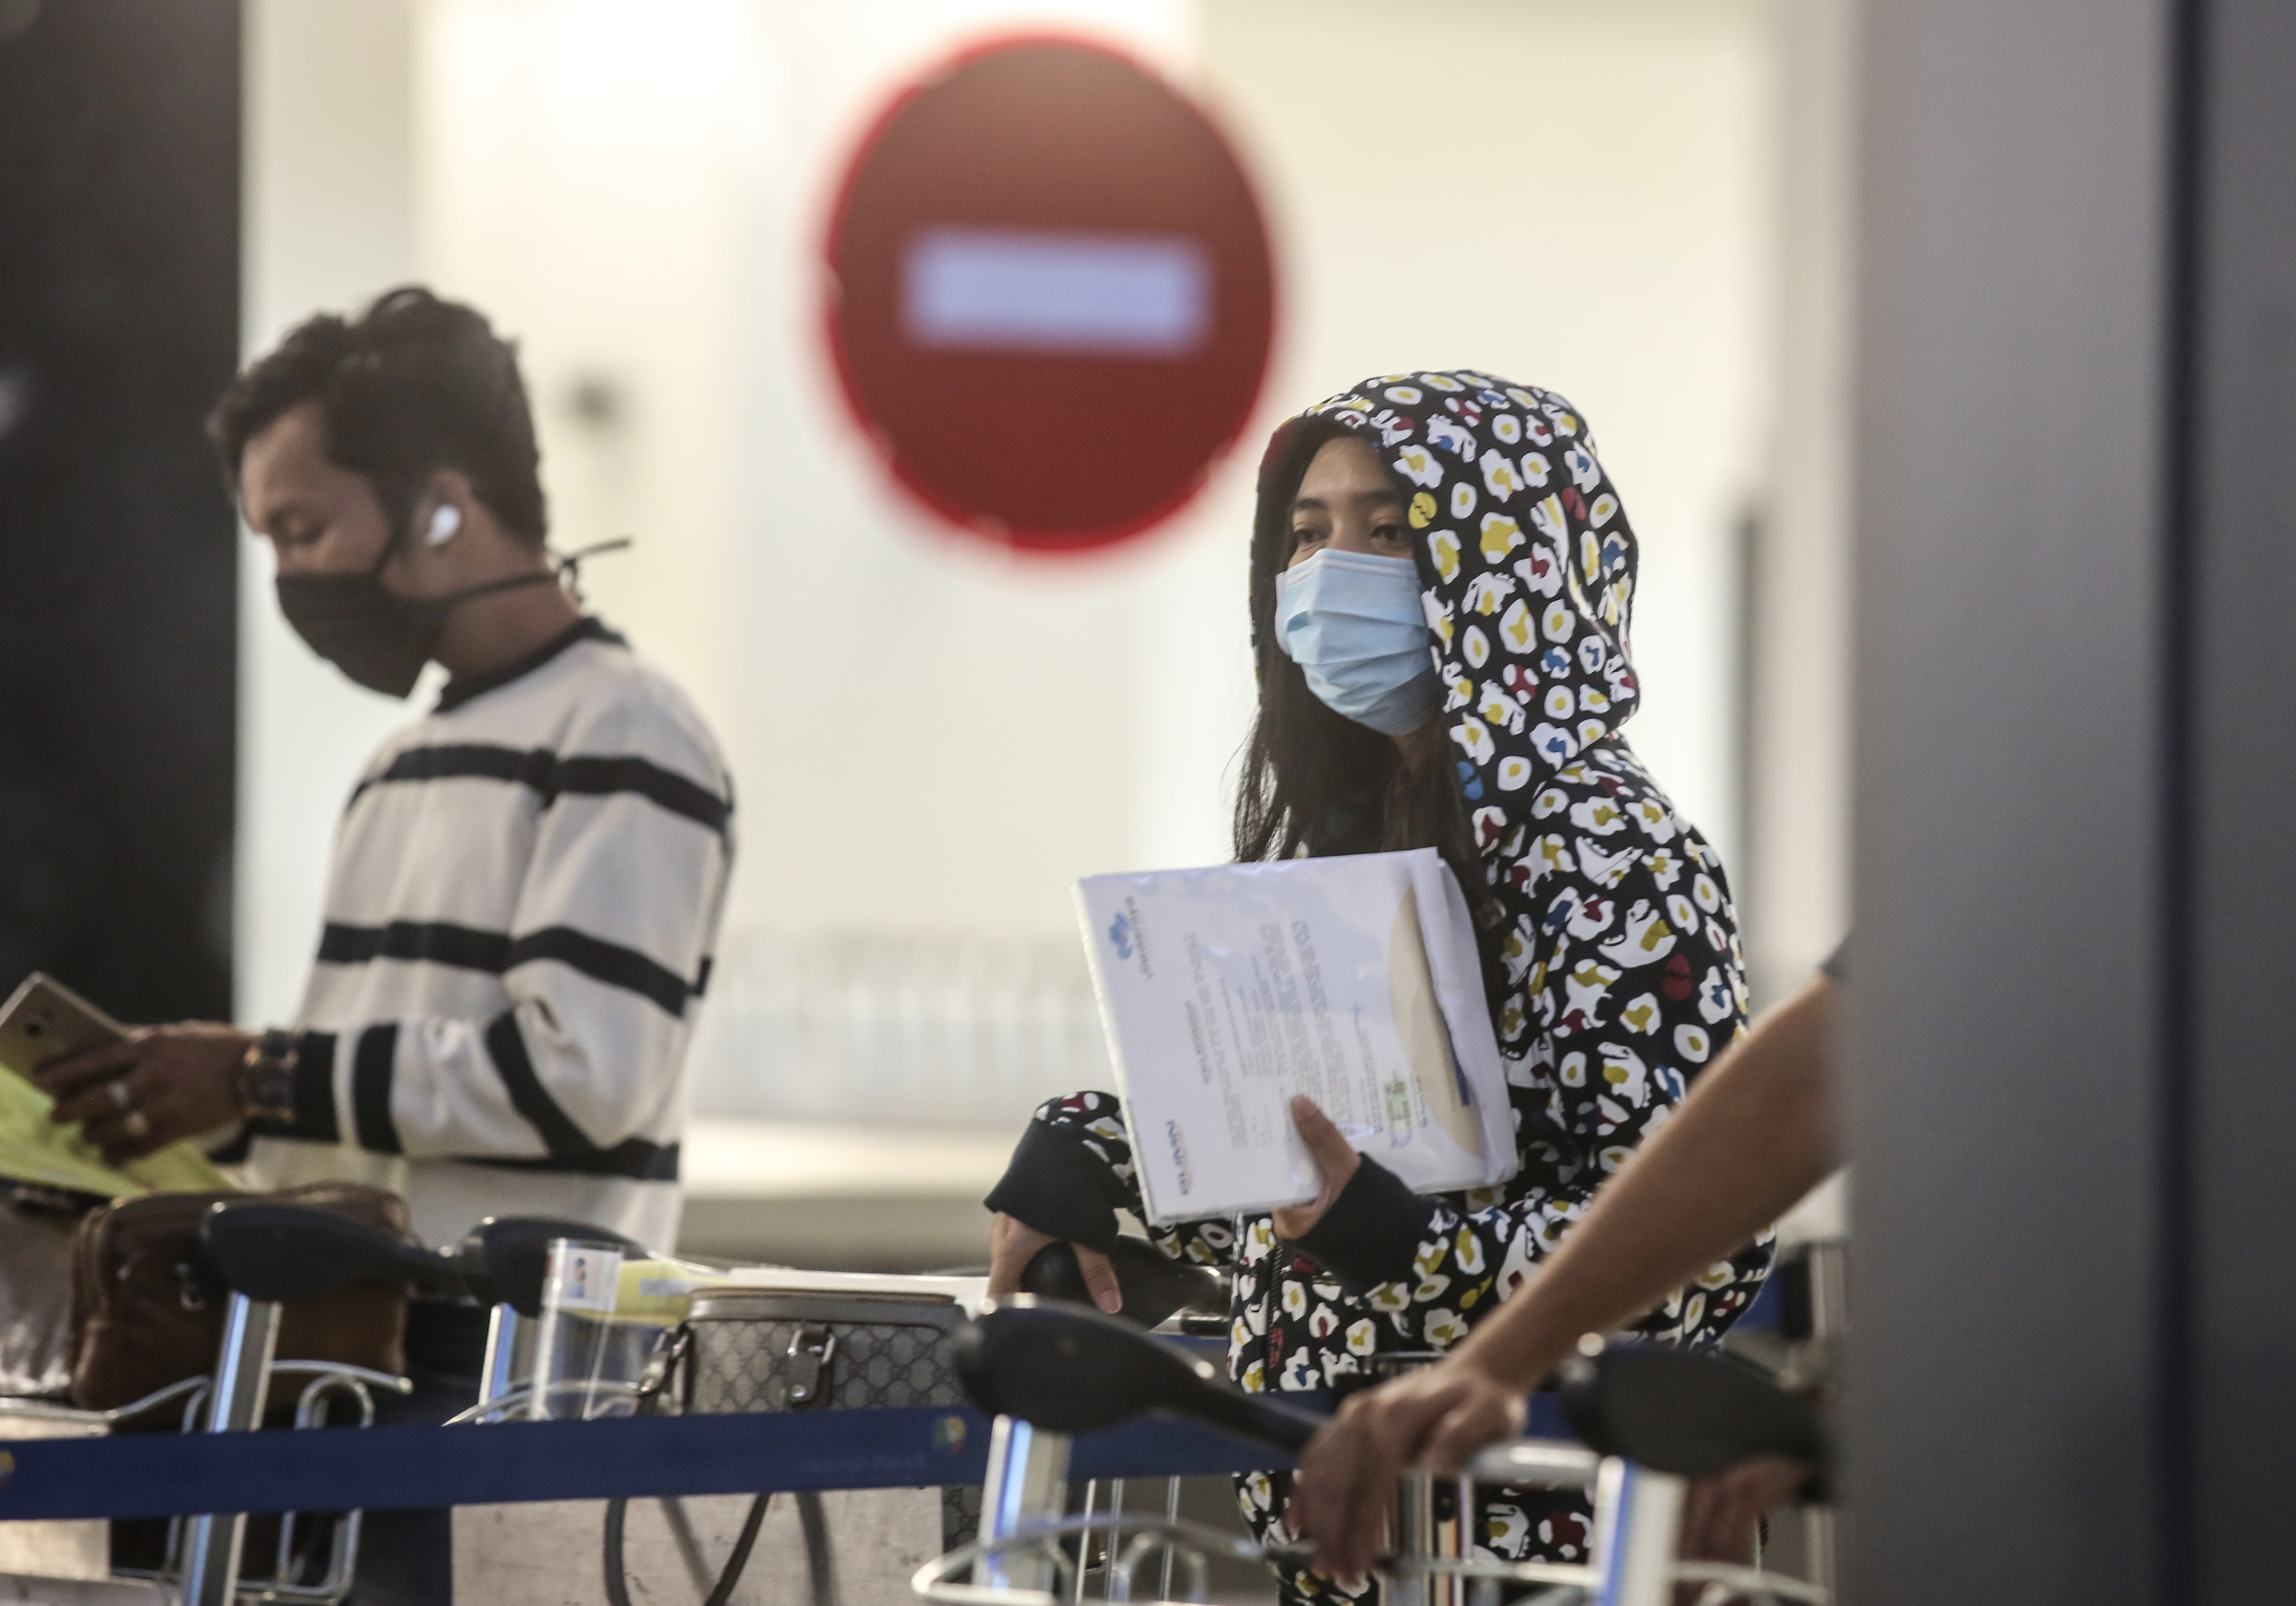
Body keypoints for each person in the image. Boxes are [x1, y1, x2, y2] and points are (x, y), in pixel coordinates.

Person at [983, 372, 1773, 1598]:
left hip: (1540, 1549)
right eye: (1307, 535)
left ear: (1506, 564)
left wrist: (1407, 1244)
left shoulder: (1611, 852)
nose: (1331, 571)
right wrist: (1100, 1153)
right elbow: (1324, 1142)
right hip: (1351, 1534)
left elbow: (1696, 1249)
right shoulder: (1356, 836)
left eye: (1392, 530)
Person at [32, 287, 734, 1602]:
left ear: (446, 507)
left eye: (303, 528)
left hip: (499, 1391)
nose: (292, 575)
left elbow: (584, 1078)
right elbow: (361, 1114)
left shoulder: (628, 733)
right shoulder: (399, 765)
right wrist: (170, 1117)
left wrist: (253, 1074)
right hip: (335, 1375)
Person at [1289, 950, 1845, 1581]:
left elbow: (1793, 1101)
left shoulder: (1624, 865)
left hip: (1534, 1528)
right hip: (1329, 1524)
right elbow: (1804, 1081)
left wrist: (1484, 1355)